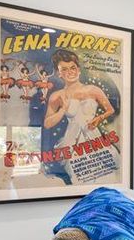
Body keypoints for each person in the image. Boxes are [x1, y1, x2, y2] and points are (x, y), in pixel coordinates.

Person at [44, 49, 118, 184]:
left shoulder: (93, 89)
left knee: (106, 178)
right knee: (80, 181)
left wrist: (98, 119)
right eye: (64, 69)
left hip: (94, 140)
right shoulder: (57, 96)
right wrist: (62, 110)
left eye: (72, 68)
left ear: (78, 69)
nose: (70, 72)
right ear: (59, 73)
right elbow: (47, 124)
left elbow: (110, 110)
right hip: (72, 144)